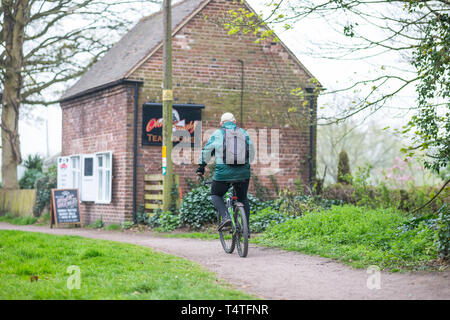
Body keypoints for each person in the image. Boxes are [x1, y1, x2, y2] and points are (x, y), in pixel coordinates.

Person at [196, 112, 254, 233]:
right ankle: (246, 229)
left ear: (221, 123)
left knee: (215, 194)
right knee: (242, 198)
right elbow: (252, 151)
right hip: (243, 173)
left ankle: (226, 217)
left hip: (223, 174)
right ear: (234, 122)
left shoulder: (218, 134)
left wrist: (201, 168)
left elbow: (207, 151)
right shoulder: (243, 132)